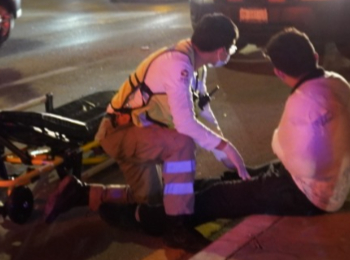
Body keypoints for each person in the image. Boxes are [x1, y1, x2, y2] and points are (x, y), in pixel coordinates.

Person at [45, 13, 250, 243]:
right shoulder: (178, 65)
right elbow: (184, 123)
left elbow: (204, 114)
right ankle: (176, 226)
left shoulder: (196, 65)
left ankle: (81, 193)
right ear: (221, 51)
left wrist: (227, 157)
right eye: (230, 49)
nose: (229, 54)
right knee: (181, 142)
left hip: (142, 133)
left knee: (152, 200)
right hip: (119, 134)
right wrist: (224, 146)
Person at [191, 28, 350, 221]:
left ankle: (161, 216)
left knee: (220, 196)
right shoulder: (338, 81)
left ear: (279, 72)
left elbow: (298, 163)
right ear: (315, 56)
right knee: (243, 175)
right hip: (337, 184)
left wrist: (278, 142)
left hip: (310, 195)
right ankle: (183, 190)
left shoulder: (303, 99)